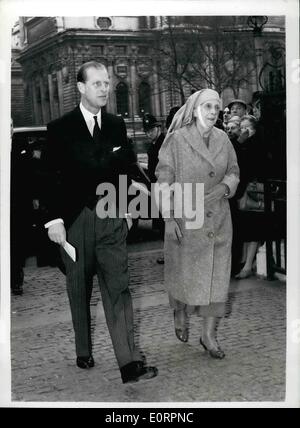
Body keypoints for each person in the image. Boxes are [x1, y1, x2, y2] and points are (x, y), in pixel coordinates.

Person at [42, 61, 158, 383]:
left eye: (107, 83)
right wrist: (54, 221)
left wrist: (127, 212)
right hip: (75, 223)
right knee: (78, 289)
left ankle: (129, 363)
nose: (105, 89)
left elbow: (125, 171)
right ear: (81, 87)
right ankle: (83, 348)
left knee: (118, 288)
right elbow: (49, 179)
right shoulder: (60, 129)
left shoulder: (116, 125)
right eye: (98, 83)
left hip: (110, 219)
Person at [155, 89, 239, 359]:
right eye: (208, 106)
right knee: (184, 275)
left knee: (217, 277)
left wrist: (226, 186)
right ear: (194, 109)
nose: (214, 111)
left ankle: (209, 335)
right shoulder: (177, 141)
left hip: (218, 218)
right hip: (186, 218)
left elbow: (234, 171)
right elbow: (163, 181)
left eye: (217, 107)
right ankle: (179, 311)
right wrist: (168, 218)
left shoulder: (223, 138)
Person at [233, 115, 266, 279]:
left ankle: (247, 265)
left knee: (253, 227)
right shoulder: (244, 144)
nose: (244, 130)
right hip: (245, 189)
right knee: (248, 227)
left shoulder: (256, 144)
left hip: (253, 189)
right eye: (242, 126)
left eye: (248, 127)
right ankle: (246, 261)